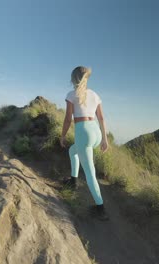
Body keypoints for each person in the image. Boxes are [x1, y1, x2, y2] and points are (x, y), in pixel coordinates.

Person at [59, 66, 110, 221]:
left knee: (90, 173)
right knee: (73, 151)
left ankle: (101, 208)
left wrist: (62, 136)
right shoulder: (94, 94)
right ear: (86, 78)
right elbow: (101, 118)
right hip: (95, 132)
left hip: (83, 132)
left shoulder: (71, 95)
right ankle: (73, 181)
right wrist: (105, 139)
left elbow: (68, 119)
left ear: (72, 79)